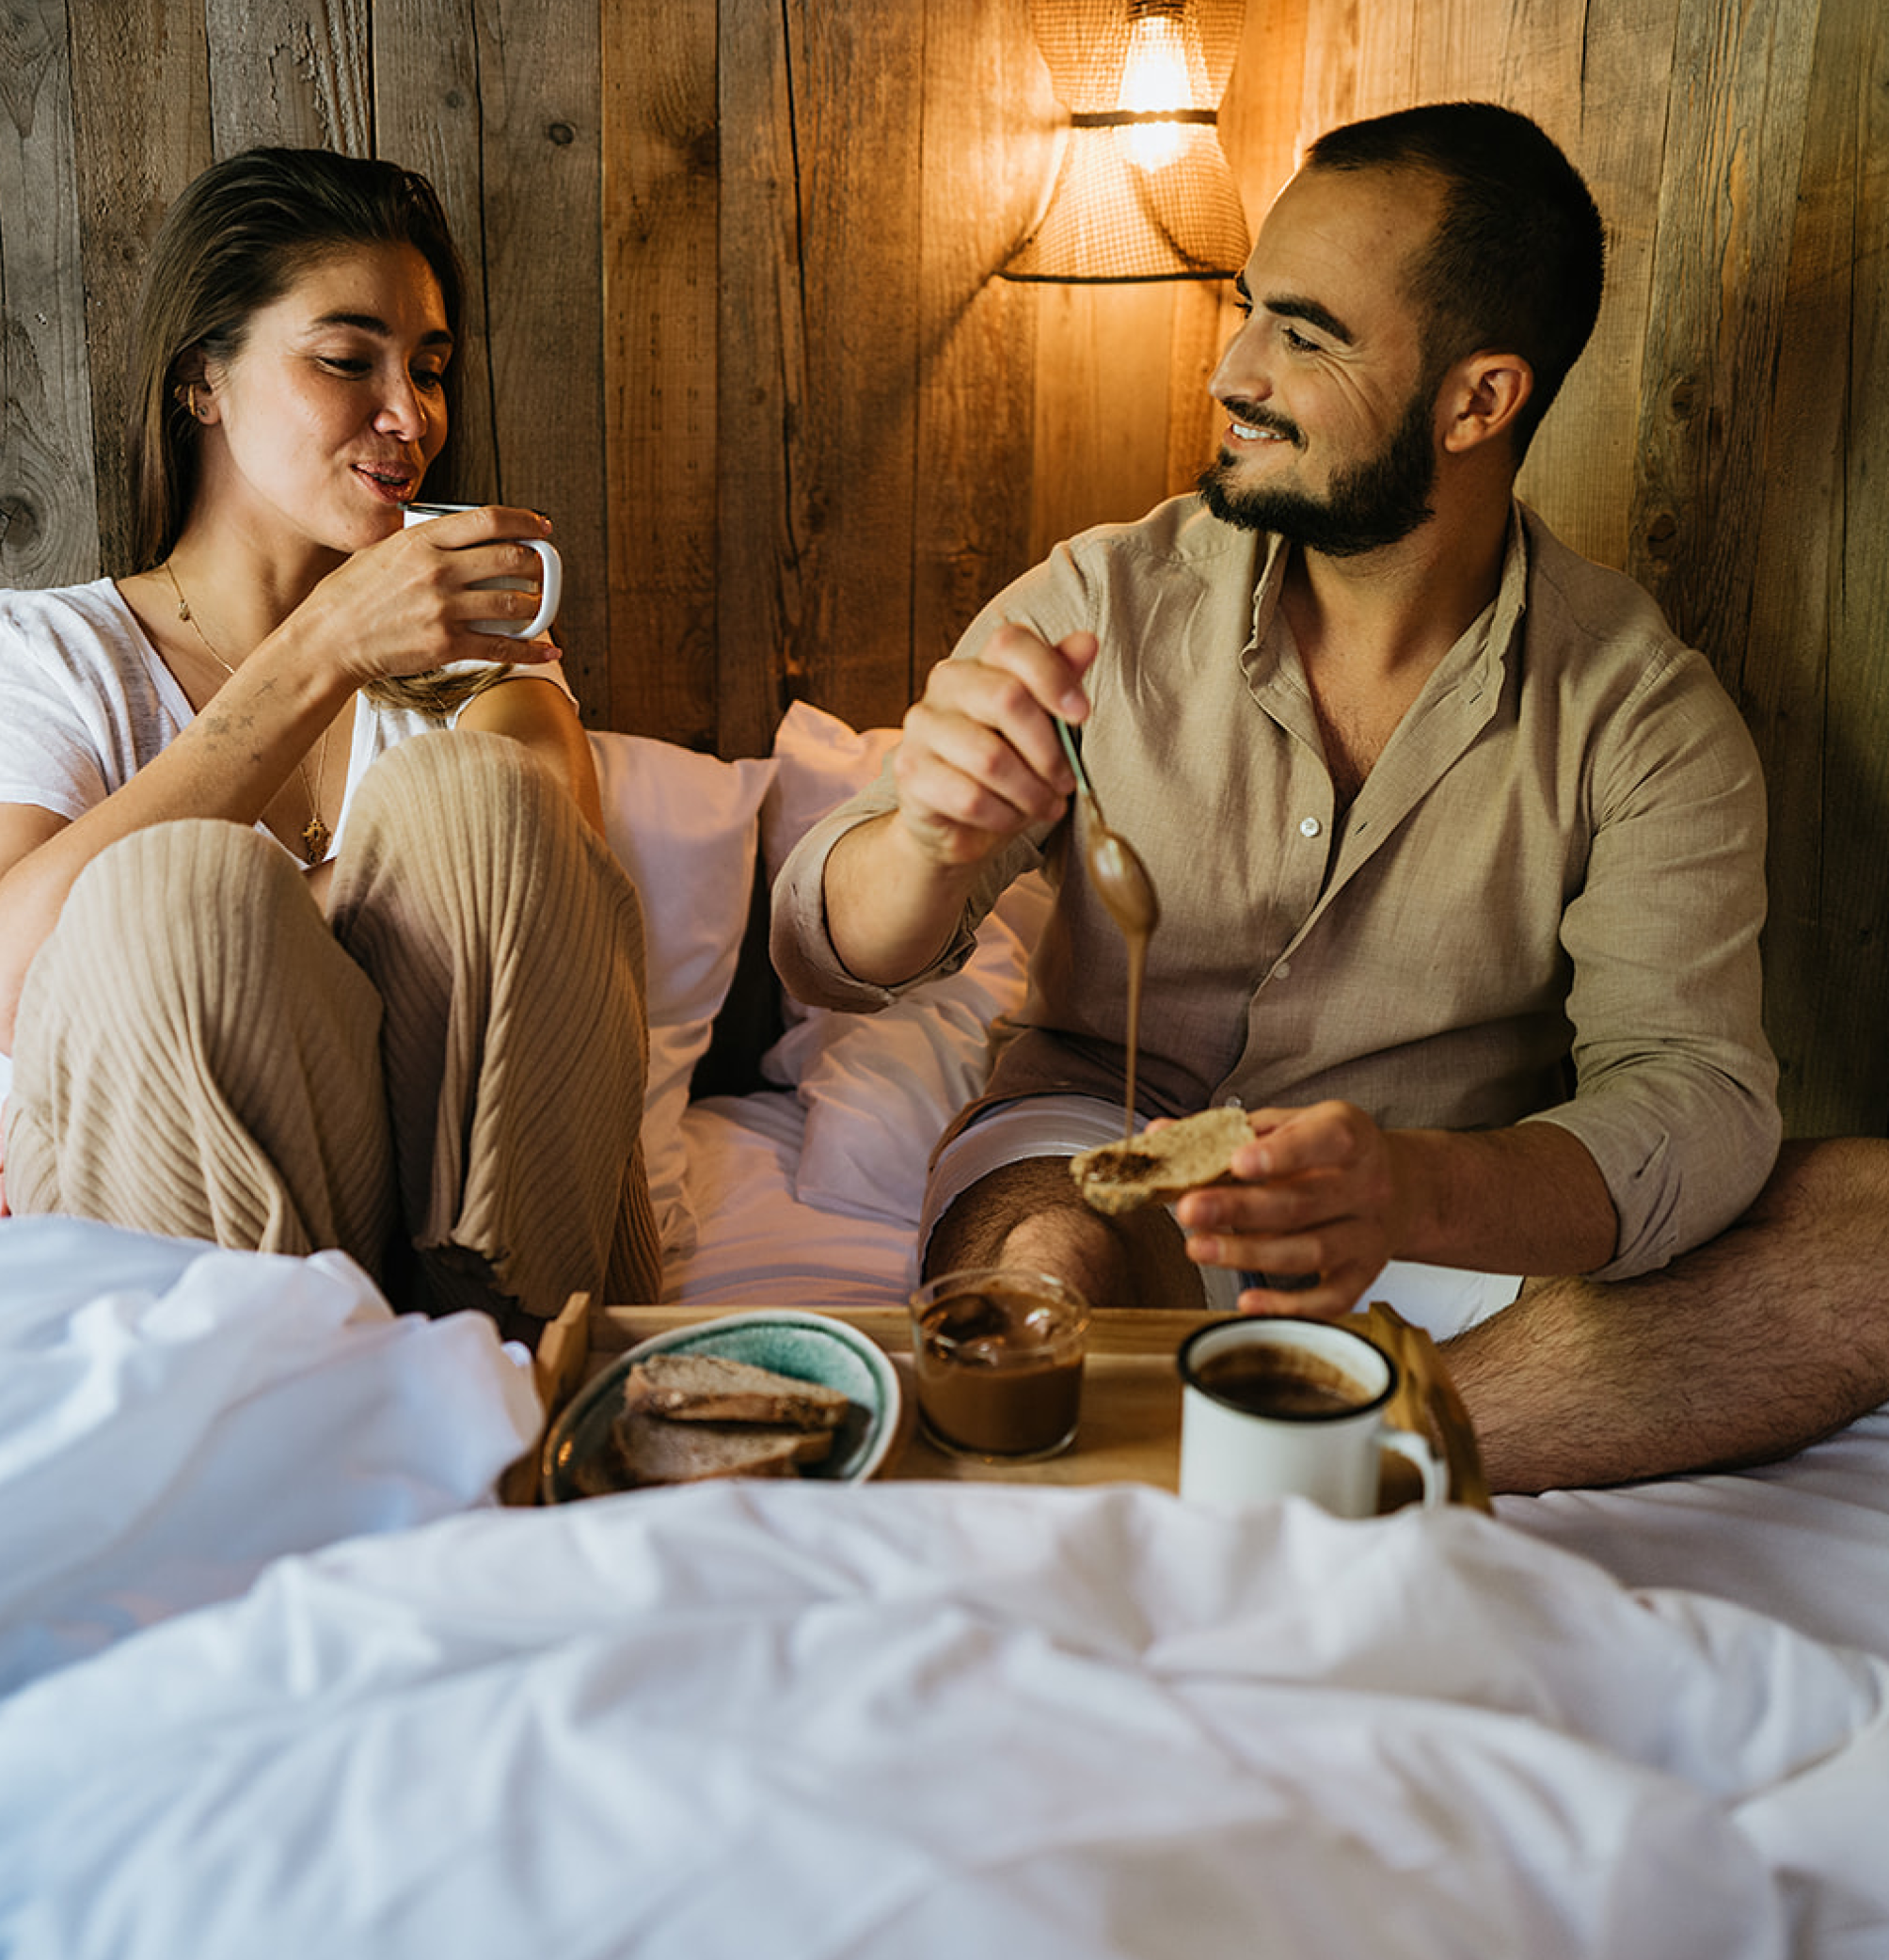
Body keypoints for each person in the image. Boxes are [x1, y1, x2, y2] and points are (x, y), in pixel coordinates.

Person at [770, 102, 1889, 1492]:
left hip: (1439, 1229)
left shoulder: (1643, 712)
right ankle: (1272, 1439)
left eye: (1302, 334)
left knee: (1873, 1226)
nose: (1227, 372)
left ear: (1478, 400)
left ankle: (1311, 1445)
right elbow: (825, 952)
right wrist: (925, 841)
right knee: (1045, 1261)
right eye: (1247, 308)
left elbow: (1694, 1091)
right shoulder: (1098, 602)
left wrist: (1412, 1187)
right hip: (1096, 1154)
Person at [0, 147, 659, 1335]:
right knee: (176, 902)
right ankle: (293, 1412)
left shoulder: (475, 656)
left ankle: (512, 1367)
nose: (408, 414)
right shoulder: (40, 652)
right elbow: (12, 980)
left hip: (432, 1232)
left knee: (481, 803)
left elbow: (540, 957)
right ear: (200, 382)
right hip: (143, 1232)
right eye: (344, 359)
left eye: (428, 370)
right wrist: (321, 651)